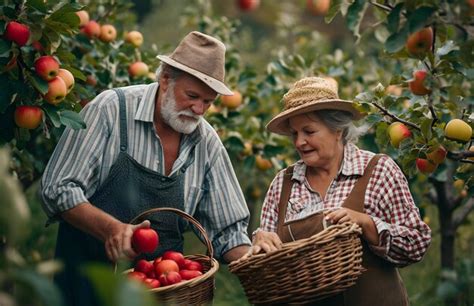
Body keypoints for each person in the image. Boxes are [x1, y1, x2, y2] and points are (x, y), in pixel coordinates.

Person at [40, 31, 251, 306]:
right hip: (86, 287)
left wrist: (259, 263)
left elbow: (229, 231)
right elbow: (57, 188)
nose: (199, 109)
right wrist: (111, 229)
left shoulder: (206, 142)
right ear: (165, 79)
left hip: (163, 293)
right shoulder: (111, 110)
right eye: (192, 96)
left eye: (208, 102)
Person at [245, 76, 431, 305]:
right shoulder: (283, 183)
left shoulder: (378, 171)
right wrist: (261, 239)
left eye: (309, 131)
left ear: (338, 131)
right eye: (295, 133)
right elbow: (268, 266)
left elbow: (416, 244)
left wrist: (366, 223)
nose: (299, 142)